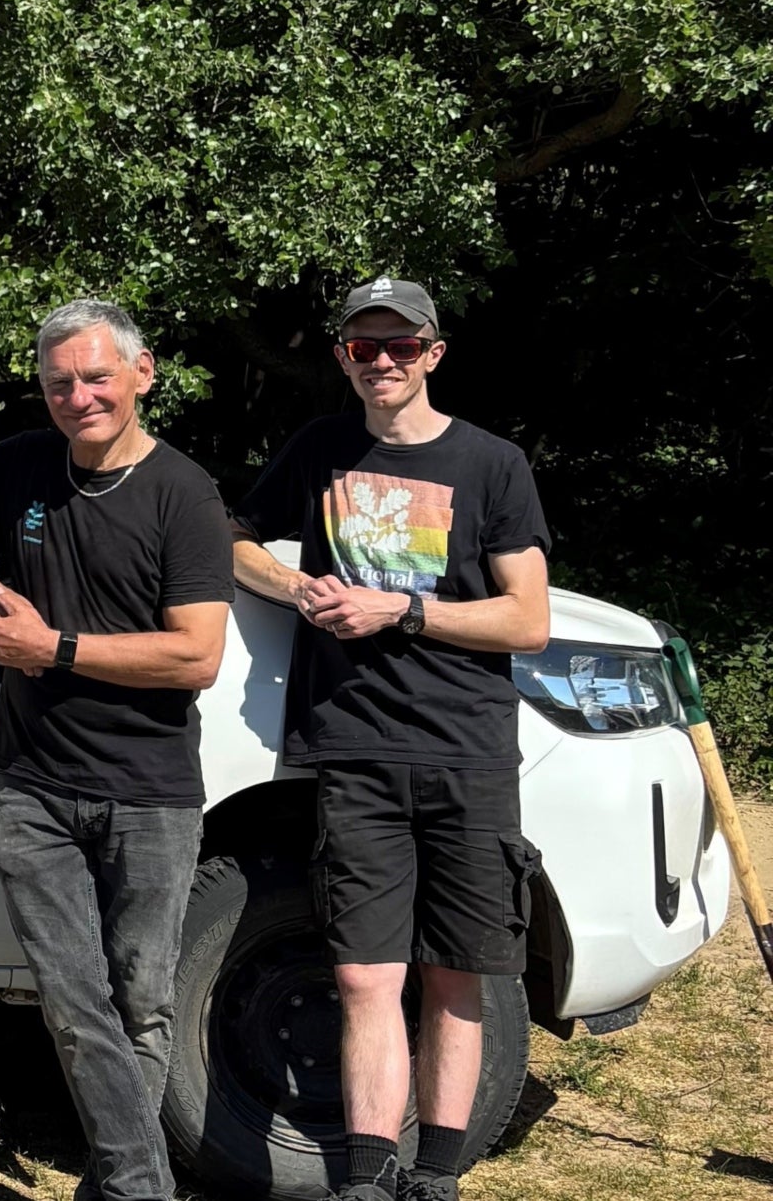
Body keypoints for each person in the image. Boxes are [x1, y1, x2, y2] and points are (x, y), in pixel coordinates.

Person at [0, 300, 235, 1201]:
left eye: (96, 376)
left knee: (142, 1006)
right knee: (76, 1006)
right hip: (34, 784)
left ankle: (119, 1187)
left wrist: (57, 650)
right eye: (59, 381)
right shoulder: (19, 467)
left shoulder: (185, 495)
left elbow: (198, 654)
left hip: (150, 794)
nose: (78, 396)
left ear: (142, 376)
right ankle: (142, 1189)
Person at [230, 278, 550, 1201]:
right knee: (366, 975)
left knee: (457, 978)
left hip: (466, 753)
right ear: (342, 356)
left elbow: (525, 621)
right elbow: (235, 535)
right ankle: (369, 1178)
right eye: (363, 347)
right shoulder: (320, 450)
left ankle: (438, 1177)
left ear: (432, 354)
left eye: (400, 346)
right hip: (354, 751)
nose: (382, 362)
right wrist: (296, 589)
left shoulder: (493, 465)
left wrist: (400, 609)